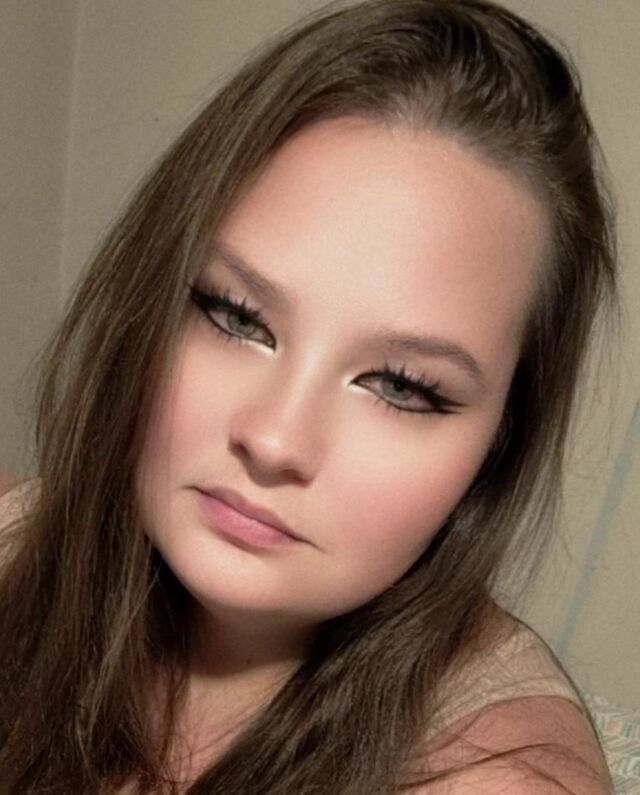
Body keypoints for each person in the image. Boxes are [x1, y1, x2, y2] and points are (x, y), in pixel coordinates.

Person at [0, 0, 618, 792]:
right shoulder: (26, 546)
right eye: (235, 315)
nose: (275, 439)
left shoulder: (503, 775)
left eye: (402, 386)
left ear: (501, 438)